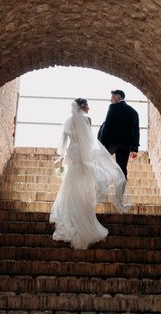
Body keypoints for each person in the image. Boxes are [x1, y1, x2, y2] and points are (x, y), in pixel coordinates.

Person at [50, 98, 127, 249]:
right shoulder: (87, 120)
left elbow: (64, 142)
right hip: (82, 155)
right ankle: (85, 220)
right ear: (82, 106)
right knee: (84, 187)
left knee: (71, 186)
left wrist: (63, 157)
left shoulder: (68, 121)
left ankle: (73, 218)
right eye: (87, 105)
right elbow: (90, 142)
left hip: (73, 154)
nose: (89, 108)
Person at [97, 89, 140, 178]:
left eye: (112, 97)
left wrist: (101, 143)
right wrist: (134, 149)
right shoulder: (134, 112)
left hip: (111, 142)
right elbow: (136, 131)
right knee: (122, 168)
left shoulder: (113, 107)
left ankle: (101, 183)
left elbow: (107, 125)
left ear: (118, 97)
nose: (111, 100)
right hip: (126, 145)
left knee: (101, 162)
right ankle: (121, 190)